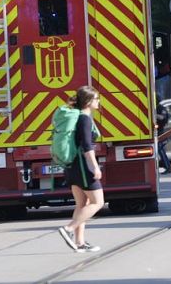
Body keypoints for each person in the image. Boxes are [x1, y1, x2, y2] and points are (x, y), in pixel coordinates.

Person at [57, 86, 104, 253]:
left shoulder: (77, 117)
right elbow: (86, 145)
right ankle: (68, 229)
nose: (99, 102)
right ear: (89, 101)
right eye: (97, 99)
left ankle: (80, 242)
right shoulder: (84, 118)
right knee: (98, 202)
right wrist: (94, 166)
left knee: (81, 204)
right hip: (83, 166)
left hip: (73, 165)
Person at [156, 102, 171, 174]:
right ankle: (167, 166)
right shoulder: (158, 107)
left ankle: (168, 167)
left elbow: (162, 117)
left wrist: (153, 115)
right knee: (161, 150)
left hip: (160, 132)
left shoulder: (160, 108)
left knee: (161, 150)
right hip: (158, 131)